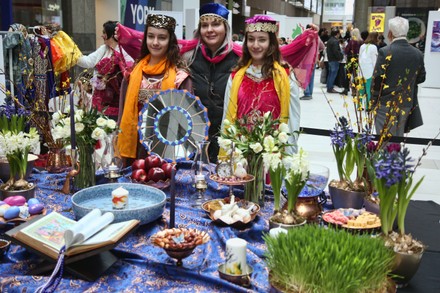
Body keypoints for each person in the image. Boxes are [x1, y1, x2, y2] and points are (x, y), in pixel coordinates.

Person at [117, 14, 192, 162]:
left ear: (170, 40)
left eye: (162, 38)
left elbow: (187, 122)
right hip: (134, 148)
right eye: (151, 36)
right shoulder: (132, 74)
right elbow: (122, 115)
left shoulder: (179, 77)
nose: (155, 42)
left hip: (167, 149)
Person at [222, 15, 300, 153]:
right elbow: (227, 118)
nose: (255, 45)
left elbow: (292, 121)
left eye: (262, 40)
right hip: (241, 156)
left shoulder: (286, 76)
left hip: (274, 156)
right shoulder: (236, 76)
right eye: (251, 39)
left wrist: (289, 157)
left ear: (271, 43)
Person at [372, 17, 426, 137]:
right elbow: (421, 78)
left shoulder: (385, 51)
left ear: (390, 33)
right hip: (406, 102)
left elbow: (378, 78)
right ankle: (397, 156)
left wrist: (373, 101)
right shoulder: (417, 53)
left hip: (386, 102)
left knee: (384, 141)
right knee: (397, 139)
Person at [77, 21, 134, 119]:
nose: (102, 35)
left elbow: (129, 74)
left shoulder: (125, 51)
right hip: (99, 102)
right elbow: (87, 61)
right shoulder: (103, 49)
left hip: (117, 103)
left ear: (111, 34)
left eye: (104, 33)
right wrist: (70, 53)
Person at [301, 24, 325, 100]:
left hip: (305, 60)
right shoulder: (317, 37)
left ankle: (307, 93)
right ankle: (309, 93)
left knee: (304, 78)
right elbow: (322, 47)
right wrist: (316, 50)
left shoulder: (305, 36)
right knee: (311, 78)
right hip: (314, 60)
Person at [358, 32, 379, 110]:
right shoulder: (373, 47)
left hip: (361, 70)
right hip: (370, 70)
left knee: (361, 89)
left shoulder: (362, 46)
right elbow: (374, 61)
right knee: (368, 89)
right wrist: (376, 71)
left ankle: (359, 105)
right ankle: (368, 106)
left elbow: (359, 58)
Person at [345, 28, 363, 95]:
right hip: (358, 59)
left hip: (350, 59)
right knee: (356, 75)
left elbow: (346, 50)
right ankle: (355, 89)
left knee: (348, 74)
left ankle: (346, 89)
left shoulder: (351, 41)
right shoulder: (361, 41)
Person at [326, 28, 343, 93]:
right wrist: (340, 57)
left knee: (330, 74)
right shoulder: (335, 41)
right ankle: (330, 87)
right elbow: (336, 51)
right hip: (334, 59)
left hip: (330, 59)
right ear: (337, 34)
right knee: (333, 74)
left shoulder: (330, 40)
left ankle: (329, 86)